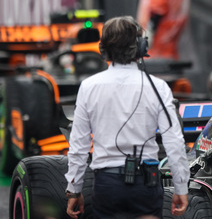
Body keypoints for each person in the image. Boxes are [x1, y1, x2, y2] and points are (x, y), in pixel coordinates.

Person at [65, 16, 190, 218]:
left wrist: (74, 189)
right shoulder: (158, 87)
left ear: (102, 49)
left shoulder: (88, 87)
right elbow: (174, 142)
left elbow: (78, 145)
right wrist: (181, 187)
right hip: (146, 184)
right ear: (141, 47)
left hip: (106, 185)